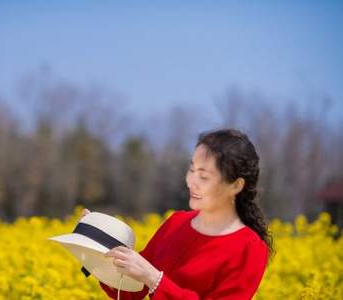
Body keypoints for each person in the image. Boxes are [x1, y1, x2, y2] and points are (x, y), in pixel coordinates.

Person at [81, 128, 274, 300]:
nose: (192, 181)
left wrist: (154, 278)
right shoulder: (177, 222)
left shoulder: (249, 248)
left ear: (236, 185)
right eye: (192, 170)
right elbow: (129, 292)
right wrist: (94, 250)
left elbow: (149, 278)